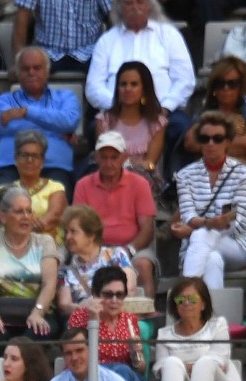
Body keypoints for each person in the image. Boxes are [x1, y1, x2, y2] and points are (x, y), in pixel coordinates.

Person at [85, 0, 194, 161]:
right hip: (118, 112)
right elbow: (93, 86)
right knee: (94, 128)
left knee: (181, 127)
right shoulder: (107, 40)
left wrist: (165, 107)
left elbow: (185, 80)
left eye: (140, 2)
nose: (135, 7)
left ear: (149, 6)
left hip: (162, 111)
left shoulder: (169, 35)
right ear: (120, 8)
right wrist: (118, 107)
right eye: (128, 3)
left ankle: (172, 175)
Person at [171, 112, 246, 291]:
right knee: (212, 259)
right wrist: (210, 224)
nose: (211, 143)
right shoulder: (185, 175)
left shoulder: (243, 173)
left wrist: (199, 228)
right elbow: (188, 215)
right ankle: (211, 309)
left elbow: (240, 221)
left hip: (237, 243)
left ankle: (186, 293)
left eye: (217, 139)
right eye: (205, 139)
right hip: (198, 246)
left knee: (200, 236)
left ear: (228, 142)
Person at [178, 57, 246, 220]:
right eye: (220, 84)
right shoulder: (205, 115)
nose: (226, 88)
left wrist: (211, 143)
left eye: (232, 83)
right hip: (208, 171)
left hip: (244, 172)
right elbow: (190, 142)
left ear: (241, 86)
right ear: (214, 87)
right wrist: (231, 146)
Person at [154, 275, 244, 381]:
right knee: (171, 363)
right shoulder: (164, 334)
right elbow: (161, 371)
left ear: (203, 304)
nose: (186, 303)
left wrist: (191, 367)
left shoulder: (218, 326)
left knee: (206, 362)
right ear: (175, 306)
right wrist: (184, 367)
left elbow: (220, 362)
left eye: (192, 299)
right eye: (180, 300)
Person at [72, 130, 157, 297]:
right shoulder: (83, 185)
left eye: (114, 157)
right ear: (96, 158)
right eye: (104, 157)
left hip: (132, 248)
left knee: (143, 264)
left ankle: (147, 311)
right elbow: (78, 225)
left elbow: (147, 229)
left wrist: (127, 251)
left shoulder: (140, 184)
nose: (108, 163)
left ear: (124, 157)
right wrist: (97, 252)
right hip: (93, 248)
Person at [0, 183, 60, 343]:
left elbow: (50, 284)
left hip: (38, 312)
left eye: (29, 211)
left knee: (36, 333)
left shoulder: (45, 242)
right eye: (19, 212)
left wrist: (38, 312)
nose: (26, 216)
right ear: (2, 216)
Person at [64, 261, 147, 381]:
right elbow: (78, 358)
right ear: (95, 295)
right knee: (122, 372)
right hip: (92, 379)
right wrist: (93, 322)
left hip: (127, 380)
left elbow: (141, 369)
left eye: (119, 295)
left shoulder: (129, 320)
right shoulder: (80, 317)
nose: (114, 300)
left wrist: (135, 354)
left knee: (126, 374)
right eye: (108, 295)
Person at [93, 60, 167, 191]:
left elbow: (150, 164)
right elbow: (102, 157)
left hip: (143, 183)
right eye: (123, 84)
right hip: (109, 178)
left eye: (134, 84)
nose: (127, 89)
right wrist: (133, 163)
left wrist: (126, 163)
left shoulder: (157, 123)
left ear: (144, 89)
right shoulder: (104, 120)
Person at [56, 204, 135, 318]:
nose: (68, 237)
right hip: (86, 320)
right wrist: (83, 308)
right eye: (66, 232)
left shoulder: (116, 255)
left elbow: (129, 288)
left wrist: (102, 304)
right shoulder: (66, 267)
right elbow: (65, 304)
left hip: (117, 318)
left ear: (91, 235)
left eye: (73, 232)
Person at [0, 129, 68, 242]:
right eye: (25, 155)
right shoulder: (4, 190)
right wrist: (31, 221)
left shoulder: (56, 188)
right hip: (11, 245)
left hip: (48, 245)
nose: (29, 160)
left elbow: (49, 220)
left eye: (35, 156)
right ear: (16, 158)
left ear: (42, 160)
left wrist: (19, 221)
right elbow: (3, 219)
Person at [11, 0, 108, 75]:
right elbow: (22, 15)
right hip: (47, 53)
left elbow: (112, 15)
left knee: (109, 72)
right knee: (30, 71)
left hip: (89, 52)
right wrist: (18, 60)